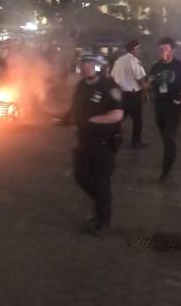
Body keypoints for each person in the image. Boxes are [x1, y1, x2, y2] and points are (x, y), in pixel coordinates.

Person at [69, 53, 123, 235]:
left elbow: (117, 115)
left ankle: (103, 220)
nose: (87, 67)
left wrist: (92, 120)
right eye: (84, 64)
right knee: (80, 177)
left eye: (91, 64)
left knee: (101, 181)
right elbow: (75, 108)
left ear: (98, 66)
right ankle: (101, 205)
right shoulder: (81, 85)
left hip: (103, 143)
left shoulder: (109, 86)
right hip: (84, 142)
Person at [149, 37, 181, 182]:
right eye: (161, 49)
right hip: (159, 105)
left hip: (175, 104)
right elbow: (150, 83)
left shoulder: (179, 65)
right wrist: (147, 84)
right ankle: (170, 155)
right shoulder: (155, 67)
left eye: (166, 48)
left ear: (172, 50)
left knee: (169, 137)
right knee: (165, 136)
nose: (163, 51)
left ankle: (166, 168)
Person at [111, 40, 147, 148]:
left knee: (119, 118)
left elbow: (112, 77)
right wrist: (147, 85)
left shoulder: (118, 61)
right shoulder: (135, 61)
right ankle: (136, 142)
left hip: (121, 94)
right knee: (137, 121)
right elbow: (140, 79)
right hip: (133, 95)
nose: (139, 51)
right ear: (134, 49)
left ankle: (113, 137)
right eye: (138, 49)